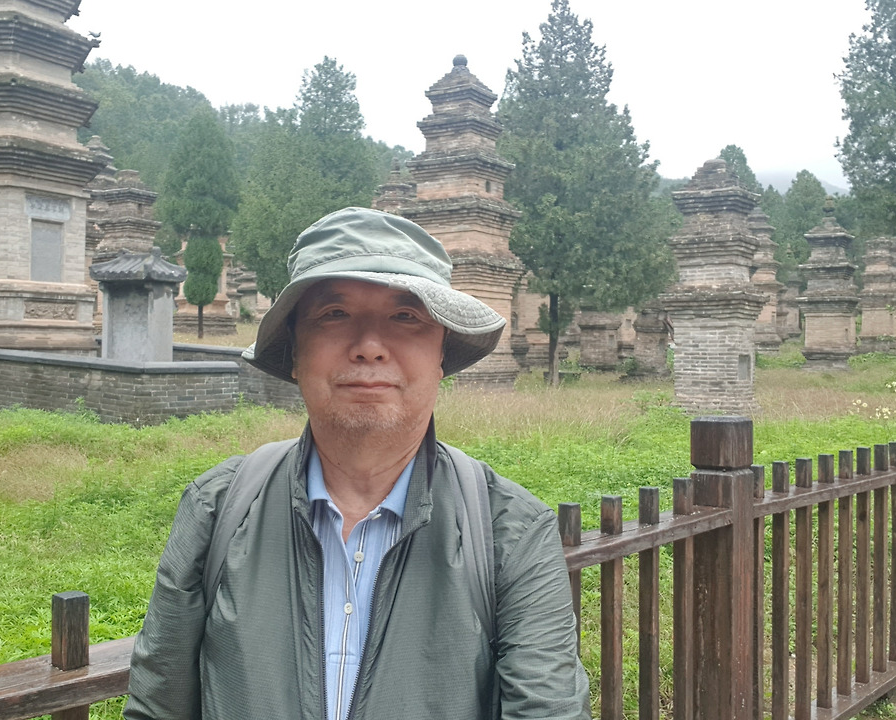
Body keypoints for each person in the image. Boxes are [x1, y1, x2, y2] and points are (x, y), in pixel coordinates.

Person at [123, 207, 592, 720]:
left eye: (406, 317)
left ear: (441, 353)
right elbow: (157, 706)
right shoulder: (218, 507)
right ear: (295, 351)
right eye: (334, 314)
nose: (369, 347)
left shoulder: (510, 531)